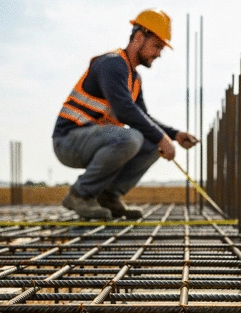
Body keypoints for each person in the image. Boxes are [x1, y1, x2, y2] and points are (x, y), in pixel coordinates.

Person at [52, 9, 198, 220]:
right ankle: (80, 194)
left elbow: (142, 117)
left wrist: (173, 135)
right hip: (68, 141)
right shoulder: (111, 64)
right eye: (157, 46)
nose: (159, 53)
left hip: (95, 140)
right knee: (133, 137)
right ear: (139, 37)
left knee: (150, 142)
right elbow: (124, 111)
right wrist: (162, 138)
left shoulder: (134, 78)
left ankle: (108, 197)